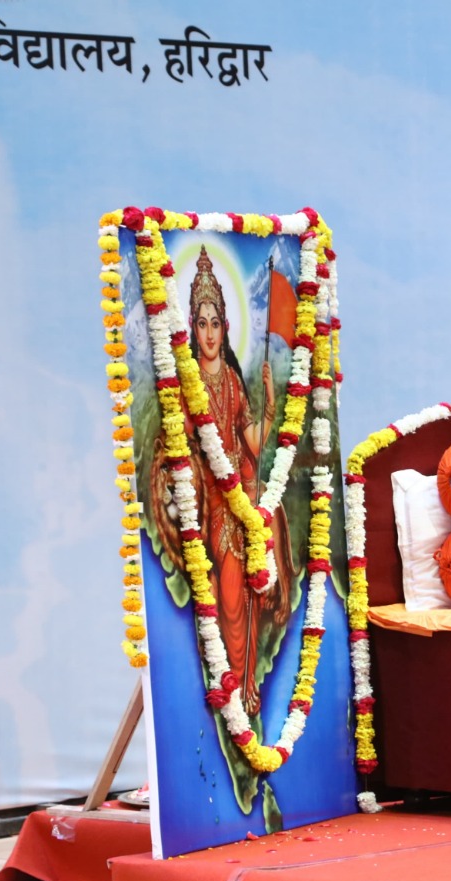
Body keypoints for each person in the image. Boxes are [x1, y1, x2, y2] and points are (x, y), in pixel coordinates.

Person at [149, 246, 291, 718]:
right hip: (212, 497)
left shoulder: (231, 378)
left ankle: (247, 680)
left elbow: (251, 442)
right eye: (201, 324)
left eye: (215, 323)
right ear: (193, 328)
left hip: (243, 492)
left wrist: (270, 403)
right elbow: (182, 446)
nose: (209, 333)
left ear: (226, 327)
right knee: (229, 596)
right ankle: (230, 682)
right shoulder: (189, 388)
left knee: (253, 587)